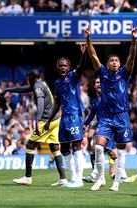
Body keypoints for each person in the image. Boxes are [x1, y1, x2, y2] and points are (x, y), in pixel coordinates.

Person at [84, 24, 137, 191]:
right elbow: (93, 55)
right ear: (107, 64)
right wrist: (87, 39)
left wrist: (134, 40)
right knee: (98, 146)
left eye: (116, 61)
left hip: (121, 116)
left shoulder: (124, 73)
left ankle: (116, 182)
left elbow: (132, 57)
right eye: (111, 61)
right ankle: (100, 178)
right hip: (106, 117)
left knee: (120, 152)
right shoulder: (103, 73)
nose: (114, 63)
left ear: (119, 64)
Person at [6, 70, 67, 186]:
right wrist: (10, 90)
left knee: (30, 145)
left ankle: (27, 177)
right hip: (55, 119)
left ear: (30, 77)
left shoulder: (38, 87)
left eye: (28, 77)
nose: (27, 80)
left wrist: (37, 121)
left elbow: (40, 102)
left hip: (46, 121)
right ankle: (63, 178)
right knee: (54, 147)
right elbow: (25, 89)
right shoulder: (41, 83)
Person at [44, 44, 87, 188]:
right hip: (64, 118)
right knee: (64, 149)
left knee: (76, 145)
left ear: (69, 67)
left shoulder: (73, 77)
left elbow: (81, 66)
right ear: (57, 68)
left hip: (75, 115)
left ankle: (79, 179)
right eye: (61, 66)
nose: (63, 67)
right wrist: (49, 121)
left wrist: (83, 53)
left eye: (65, 65)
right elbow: (57, 103)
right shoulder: (57, 82)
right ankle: (73, 178)